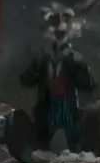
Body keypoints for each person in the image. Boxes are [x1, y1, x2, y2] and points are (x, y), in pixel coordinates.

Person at [20, 8, 96, 152]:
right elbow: (26, 80)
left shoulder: (75, 58)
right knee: (42, 144)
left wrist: (81, 66)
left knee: (74, 144)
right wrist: (36, 65)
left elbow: (87, 85)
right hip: (48, 105)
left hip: (69, 105)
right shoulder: (43, 58)